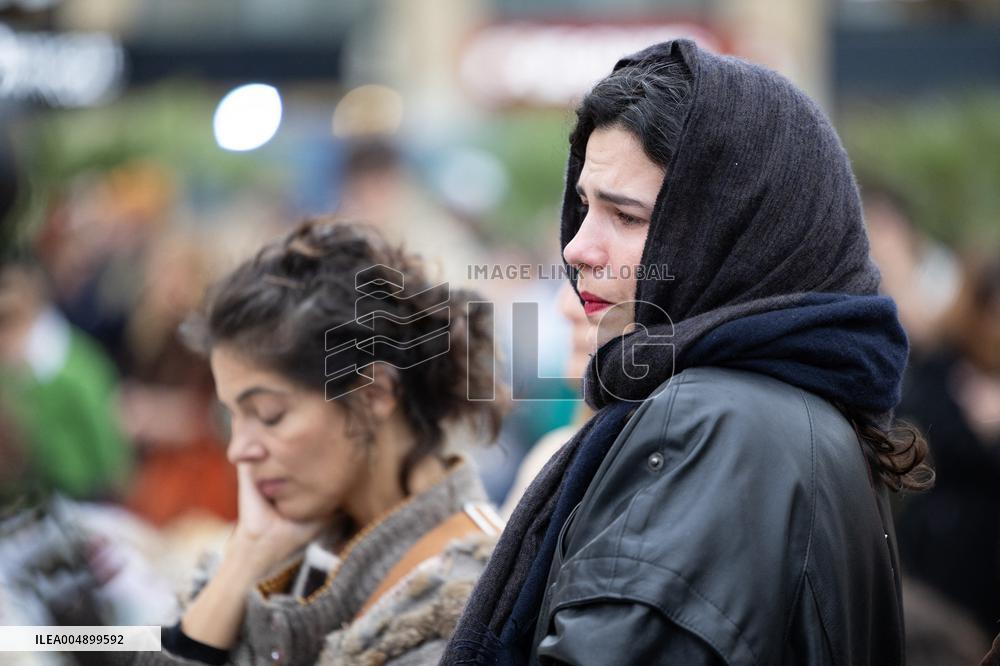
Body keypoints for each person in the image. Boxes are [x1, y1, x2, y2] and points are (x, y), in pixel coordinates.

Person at [443, 39, 932, 665]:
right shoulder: (773, 410)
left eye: (626, 216)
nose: (576, 249)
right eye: (585, 206)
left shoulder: (711, 423)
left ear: (736, 236)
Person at [135, 218, 506, 665]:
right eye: (232, 416)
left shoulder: (468, 594)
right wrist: (243, 563)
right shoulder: (279, 546)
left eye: (269, 416)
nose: (239, 450)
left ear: (374, 394)